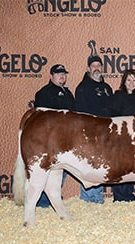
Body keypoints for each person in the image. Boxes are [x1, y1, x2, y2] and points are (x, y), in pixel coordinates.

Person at [34, 64, 75, 208]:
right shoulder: (43, 93)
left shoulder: (68, 93)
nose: (61, 76)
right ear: (51, 76)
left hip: (65, 138)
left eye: (63, 74)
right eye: (58, 74)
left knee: (60, 169)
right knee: (47, 169)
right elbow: (42, 119)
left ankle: (53, 197)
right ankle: (44, 201)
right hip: (49, 139)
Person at [75, 54, 113, 203]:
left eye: (99, 65)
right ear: (88, 68)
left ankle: (97, 197)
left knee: (100, 166)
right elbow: (81, 114)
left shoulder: (107, 88)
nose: (96, 68)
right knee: (89, 166)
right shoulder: (82, 88)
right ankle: (88, 198)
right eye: (93, 66)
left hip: (106, 134)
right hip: (90, 134)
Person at [110, 69, 135, 202]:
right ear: (123, 82)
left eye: (134, 80)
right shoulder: (118, 96)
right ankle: (120, 198)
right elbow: (113, 118)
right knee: (120, 167)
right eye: (128, 80)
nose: (131, 83)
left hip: (134, 140)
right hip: (121, 139)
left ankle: (128, 196)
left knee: (130, 168)